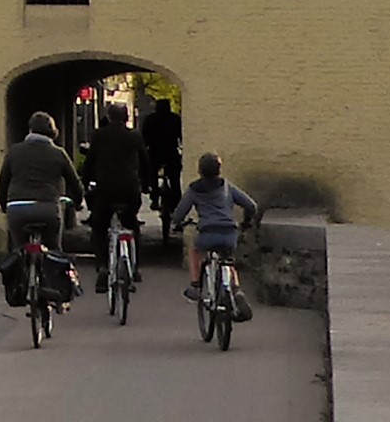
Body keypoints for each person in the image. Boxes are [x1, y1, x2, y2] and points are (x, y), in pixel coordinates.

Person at [0, 110, 80, 305]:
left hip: (17, 208)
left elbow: (3, 182)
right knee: (54, 250)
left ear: (30, 129)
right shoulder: (58, 153)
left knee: (18, 249)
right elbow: (74, 182)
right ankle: (57, 293)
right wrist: (79, 201)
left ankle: (20, 287)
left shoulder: (15, 151)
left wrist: (3, 204)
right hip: (47, 208)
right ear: (52, 131)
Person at [180, 152, 264, 313]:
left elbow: (179, 213)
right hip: (229, 234)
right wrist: (246, 222)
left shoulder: (194, 189)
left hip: (207, 234)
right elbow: (251, 206)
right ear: (219, 170)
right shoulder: (227, 186)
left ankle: (195, 286)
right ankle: (237, 291)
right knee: (228, 261)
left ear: (200, 170)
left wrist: (178, 223)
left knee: (195, 251)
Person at [78, 104, 142, 281]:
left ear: (109, 117)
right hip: (129, 189)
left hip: (104, 189)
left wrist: (86, 182)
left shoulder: (99, 135)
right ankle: (135, 268)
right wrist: (146, 185)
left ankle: (103, 266)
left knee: (99, 227)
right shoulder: (134, 136)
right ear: (126, 117)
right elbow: (145, 162)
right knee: (132, 224)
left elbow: (89, 162)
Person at [139, 96, 184, 235]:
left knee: (151, 171)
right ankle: (177, 206)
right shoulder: (175, 119)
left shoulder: (150, 119)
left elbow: (144, 138)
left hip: (155, 153)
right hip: (171, 153)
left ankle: (153, 196)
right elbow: (182, 136)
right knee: (175, 180)